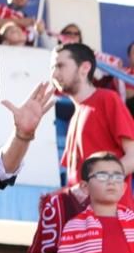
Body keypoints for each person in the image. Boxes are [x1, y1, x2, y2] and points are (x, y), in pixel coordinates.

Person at [54, 43, 134, 194]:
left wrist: (98, 183)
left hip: (113, 215)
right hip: (85, 216)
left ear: (84, 68)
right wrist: (60, 195)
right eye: (52, 68)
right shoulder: (75, 116)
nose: (54, 74)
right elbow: (78, 184)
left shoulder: (107, 99)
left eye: (60, 66)